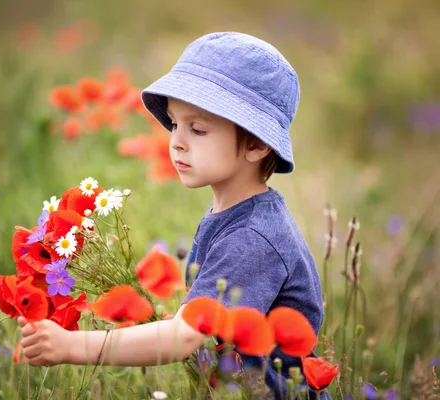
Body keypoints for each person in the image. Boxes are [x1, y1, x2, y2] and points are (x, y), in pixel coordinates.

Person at [18, 32, 328, 399]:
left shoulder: (254, 237)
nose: (176, 141)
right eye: (175, 124)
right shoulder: (233, 213)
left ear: (257, 144)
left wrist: (73, 346)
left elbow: (185, 335)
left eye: (197, 129)